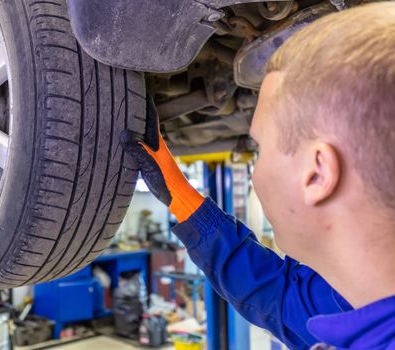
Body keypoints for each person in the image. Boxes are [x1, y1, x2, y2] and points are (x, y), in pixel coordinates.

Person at [121, 2, 395, 349]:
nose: (255, 172)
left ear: (317, 174)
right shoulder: (351, 298)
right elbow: (280, 298)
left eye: (260, 149)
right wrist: (182, 197)